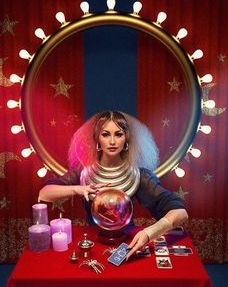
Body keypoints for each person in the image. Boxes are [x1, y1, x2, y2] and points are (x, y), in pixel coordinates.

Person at [39, 110, 188, 260]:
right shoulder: (84, 172)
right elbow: (44, 193)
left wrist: (149, 233)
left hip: (128, 243)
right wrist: (79, 189)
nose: (112, 141)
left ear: (126, 139)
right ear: (97, 139)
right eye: (105, 134)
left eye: (118, 134)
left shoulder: (139, 175)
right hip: (90, 243)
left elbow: (180, 213)